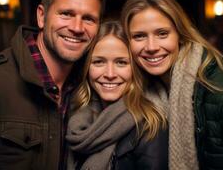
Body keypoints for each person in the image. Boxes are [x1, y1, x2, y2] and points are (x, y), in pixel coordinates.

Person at [0, 0, 106, 169]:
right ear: (42, 16)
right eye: (66, 14)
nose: (77, 27)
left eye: (89, 19)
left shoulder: (91, 87)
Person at [121, 0, 223, 170]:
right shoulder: (148, 89)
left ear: (180, 35)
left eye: (162, 33)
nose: (151, 46)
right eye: (139, 36)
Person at [65, 21, 168, 170]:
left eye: (121, 62)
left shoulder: (151, 127)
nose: (110, 74)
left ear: (135, 69)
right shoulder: (75, 117)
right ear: (87, 68)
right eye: (99, 62)